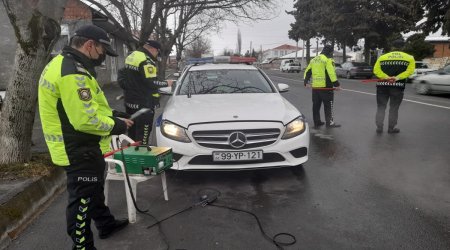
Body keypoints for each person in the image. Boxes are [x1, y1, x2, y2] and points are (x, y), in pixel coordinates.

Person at [38, 24, 134, 250]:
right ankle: (82, 246)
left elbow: (87, 106)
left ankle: (105, 223)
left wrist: (114, 114)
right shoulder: (73, 73)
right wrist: (116, 125)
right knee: (82, 201)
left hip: (82, 145)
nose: (103, 58)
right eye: (102, 52)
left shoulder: (67, 64)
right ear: (90, 45)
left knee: (93, 191)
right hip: (76, 148)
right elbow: (85, 120)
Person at [118, 40, 173, 145]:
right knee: (143, 136)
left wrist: (131, 90)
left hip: (130, 103)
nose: (157, 55)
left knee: (132, 134)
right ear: (153, 49)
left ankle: (132, 156)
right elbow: (151, 82)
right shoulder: (146, 60)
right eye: (157, 52)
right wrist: (166, 83)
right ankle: (141, 157)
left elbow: (125, 78)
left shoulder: (131, 56)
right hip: (144, 105)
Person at [373, 40, 415, 133]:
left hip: (382, 86)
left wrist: (387, 78)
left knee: (381, 106)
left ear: (392, 46)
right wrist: (396, 78)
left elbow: (376, 70)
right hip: (397, 87)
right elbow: (409, 71)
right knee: (394, 108)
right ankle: (391, 128)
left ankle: (379, 127)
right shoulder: (409, 58)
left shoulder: (382, 57)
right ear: (403, 47)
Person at [303, 45, 341, 128]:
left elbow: (308, 71)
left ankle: (317, 122)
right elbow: (331, 73)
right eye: (332, 52)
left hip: (316, 87)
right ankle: (329, 123)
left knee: (316, 106)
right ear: (330, 52)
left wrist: (306, 82)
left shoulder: (314, 59)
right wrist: (336, 84)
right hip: (326, 87)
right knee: (328, 106)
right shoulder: (327, 60)